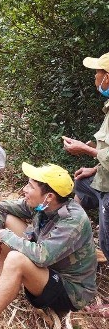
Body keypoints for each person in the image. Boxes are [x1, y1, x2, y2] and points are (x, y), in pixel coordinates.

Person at [0, 163, 97, 329]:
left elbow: (42, 256)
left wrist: (2, 235)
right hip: (47, 268)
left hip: (70, 291)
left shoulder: (73, 220)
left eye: (30, 186)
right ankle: (0, 277)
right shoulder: (43, 205)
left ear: (49, 196)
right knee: (8, 220)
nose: (25, 189)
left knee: (15, 258)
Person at [64, 51, 109, 262]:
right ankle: (73, 239)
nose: (95, 78)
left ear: (106, 77)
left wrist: (85, 149)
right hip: (104, 178)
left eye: (97, 73)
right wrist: (95, 168)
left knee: (107, 242)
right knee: (82, 184)